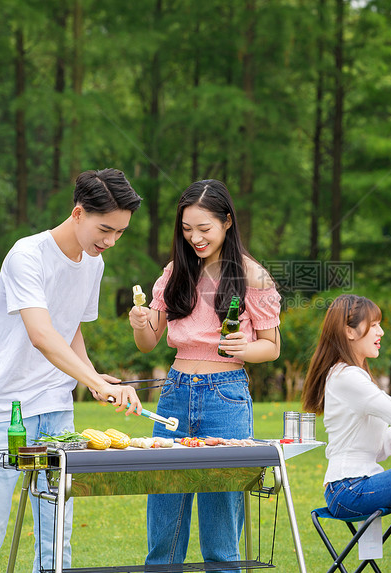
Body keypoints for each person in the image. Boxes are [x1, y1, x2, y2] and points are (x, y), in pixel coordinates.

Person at [0, 169, 144, 573]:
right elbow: (42, 334)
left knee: (56, 538)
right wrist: (92, 380)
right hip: (4, 413)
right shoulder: (27, 255)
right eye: (105, 229)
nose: (111, 241)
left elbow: (69, 326)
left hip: (58, 410)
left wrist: (93, 379)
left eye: (120, 232)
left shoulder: (93, 264)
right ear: (79, 213)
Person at [128, 179, 281, 568]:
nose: (194, 237)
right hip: (175, 393)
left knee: (221, 518)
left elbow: (272, 346)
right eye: (186, 228)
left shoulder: (252, 275)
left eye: (204, 228)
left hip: (225, 395)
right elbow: (149, 342)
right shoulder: (175, 271)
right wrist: (139, 322)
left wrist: (246, 348)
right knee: (165, 512)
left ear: (227, 222)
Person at [301, 294, 391, 518]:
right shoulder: (347, 377)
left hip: (354, 485)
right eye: (374, 325)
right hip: (349, 489)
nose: (381, 332)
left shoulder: (350, 375)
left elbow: (376, 449)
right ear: (350, 331)